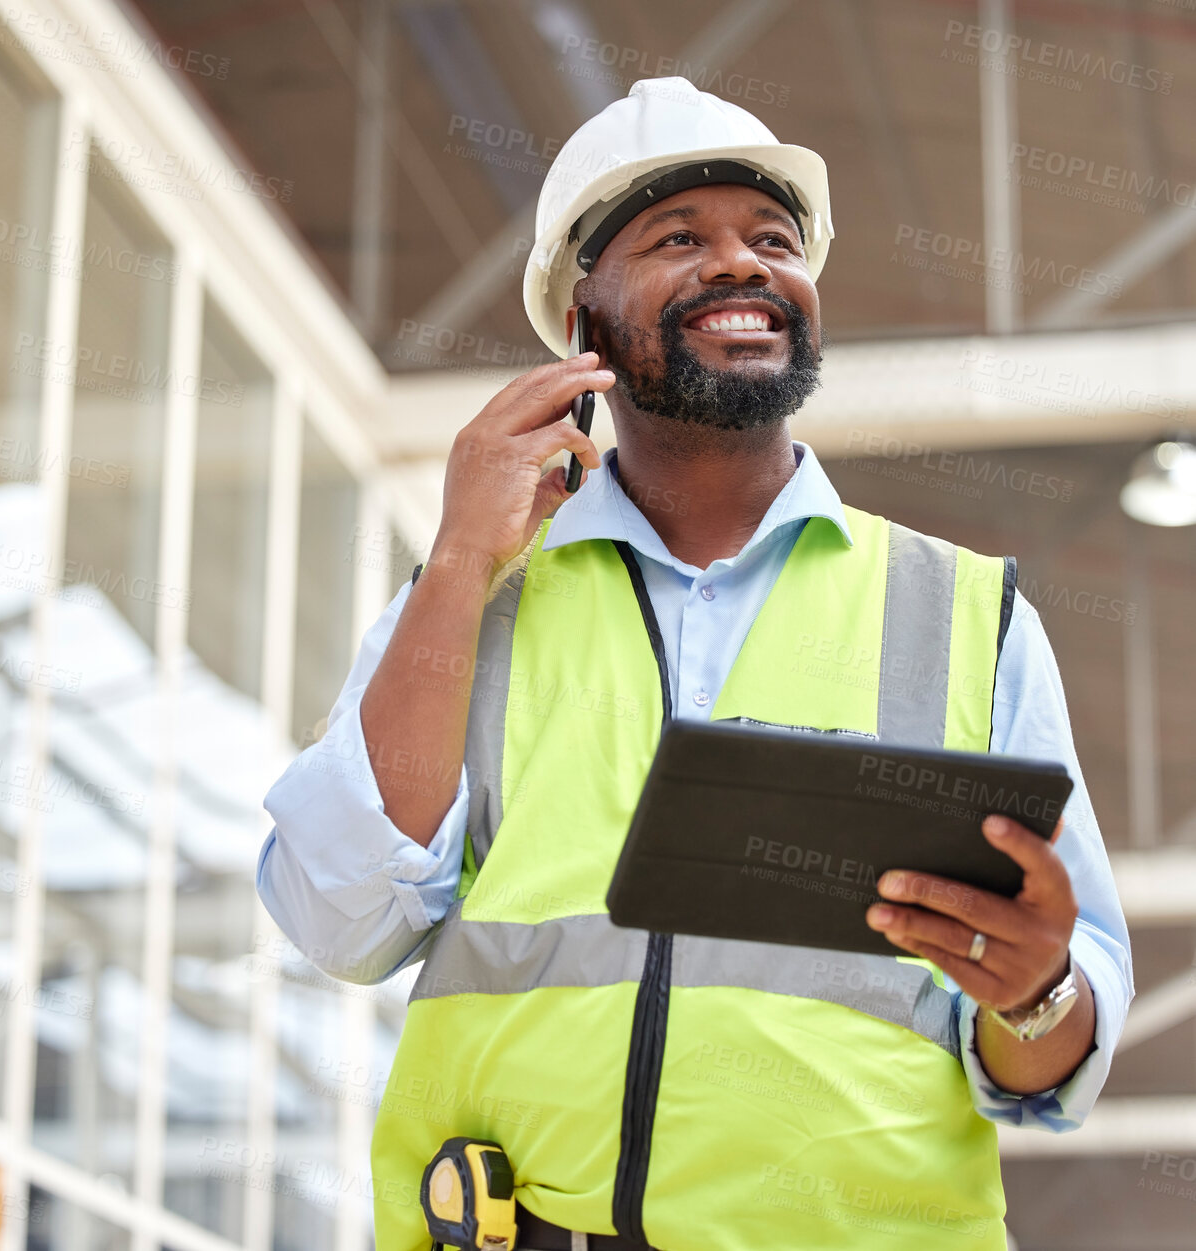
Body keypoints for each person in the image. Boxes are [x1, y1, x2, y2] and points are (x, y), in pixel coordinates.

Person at [257, 77, 1132, 1250]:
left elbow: (1044, 1065)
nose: (742, 265)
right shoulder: (472, 606)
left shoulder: (965, 612)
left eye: (773, 241)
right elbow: (339, 920)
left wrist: (1040, 989)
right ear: (583, 321)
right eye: (680, 239)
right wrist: (460, 559)